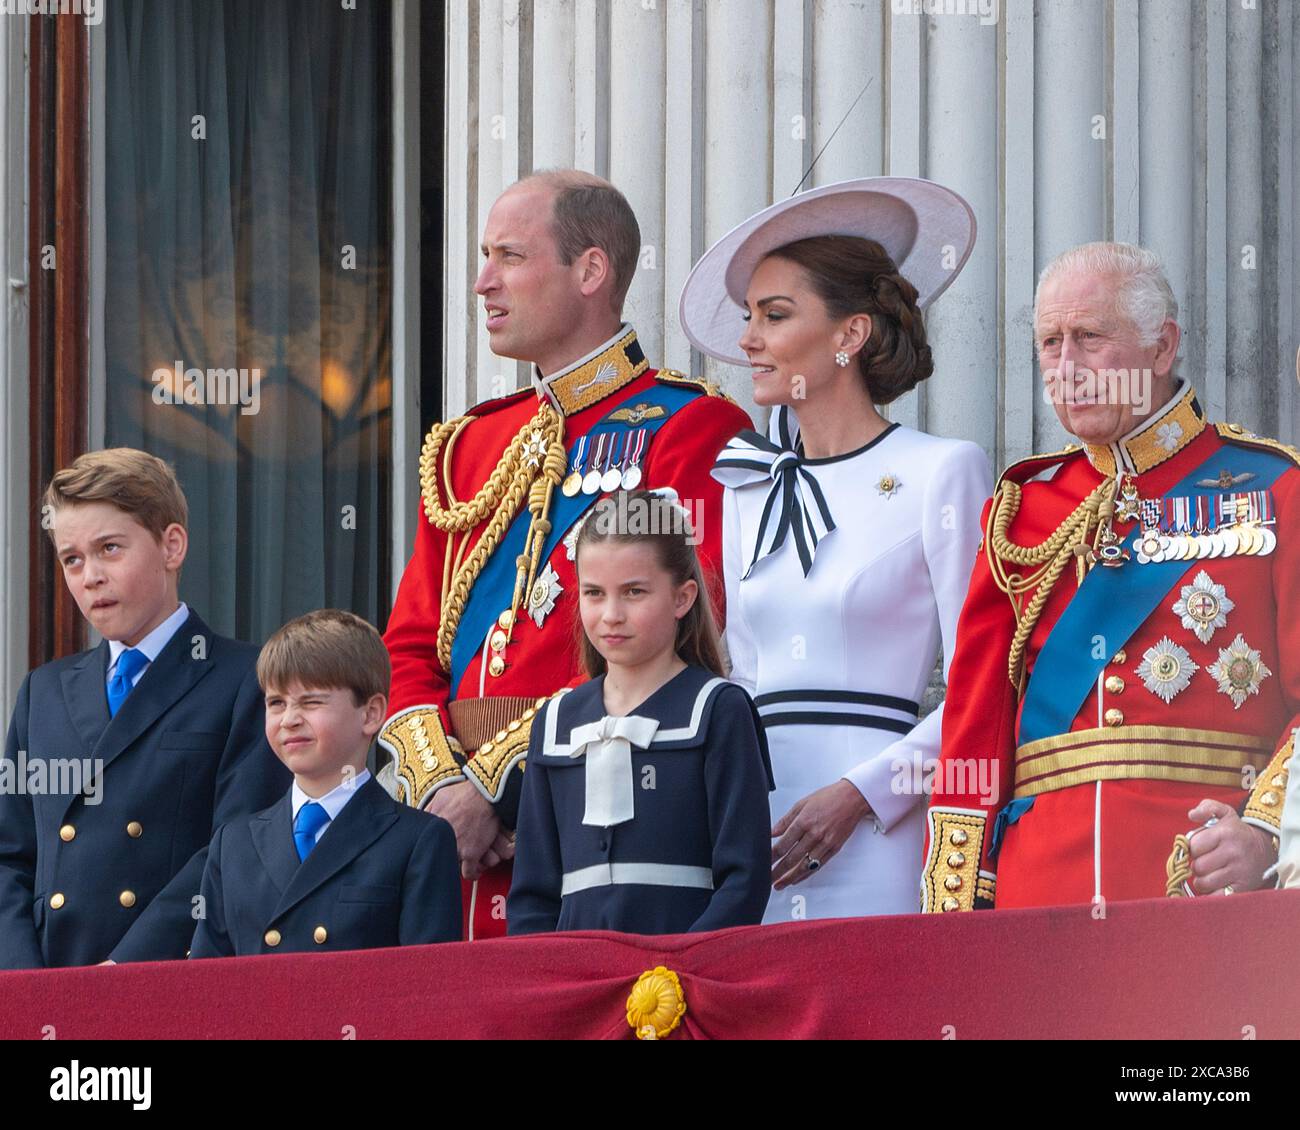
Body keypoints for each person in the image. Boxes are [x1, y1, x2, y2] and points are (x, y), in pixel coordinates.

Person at [381, 170, 751, 939]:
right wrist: (440, 785)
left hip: (598, 825)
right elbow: (410, 644)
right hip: (448, 842)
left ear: (590, 271)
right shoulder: (470, 447)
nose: (483, 282)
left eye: (510, 257)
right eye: (485, 256)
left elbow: (678, 637)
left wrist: (494, 788)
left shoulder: (689, 428)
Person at [922, 241, 1298, 912]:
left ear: (1161, 347)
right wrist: (956, 915)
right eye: (1049, 343)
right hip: (1038, 900)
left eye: (1089, 338)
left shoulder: (1276, 489)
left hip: (1201, 888)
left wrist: (1267, 831)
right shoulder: (1021, 511)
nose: (1066, 368)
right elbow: (973, 733)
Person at [680, 177, 993, 921]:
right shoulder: (744, 483)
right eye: (748, 316)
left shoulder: (941, 469)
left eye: (774, 316)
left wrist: (863, 794)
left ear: (849, 335)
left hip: (880, 833)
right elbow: (742, 677)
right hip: (756, 830)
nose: (747, 340)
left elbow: (984, 685)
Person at [0, 449, 288, 968]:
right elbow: (10, 857)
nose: (90, 576)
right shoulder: (41, 692)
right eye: (72, 559)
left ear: (171, 546)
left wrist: (123, 973)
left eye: (110, 549)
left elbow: (236, 852)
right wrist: (23, 980)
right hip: (47, 984)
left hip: (166, 980)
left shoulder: (246, 680)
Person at [507, 490, 772, 935]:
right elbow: (533, 896)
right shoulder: (555, 722)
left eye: (634, 592)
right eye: (594, 593)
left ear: (682, 598)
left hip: (684, 987)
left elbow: (743, 882)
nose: (611, 615)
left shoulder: (718, 710)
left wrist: (679, 973)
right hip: (578, 987)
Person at [190, 610, 460, 957]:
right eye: (276, 703)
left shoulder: (417, 841)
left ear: (371, 713)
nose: (289, 719)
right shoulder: (233, 844)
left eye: (311, 702)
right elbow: (207, 985)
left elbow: (426, 990)